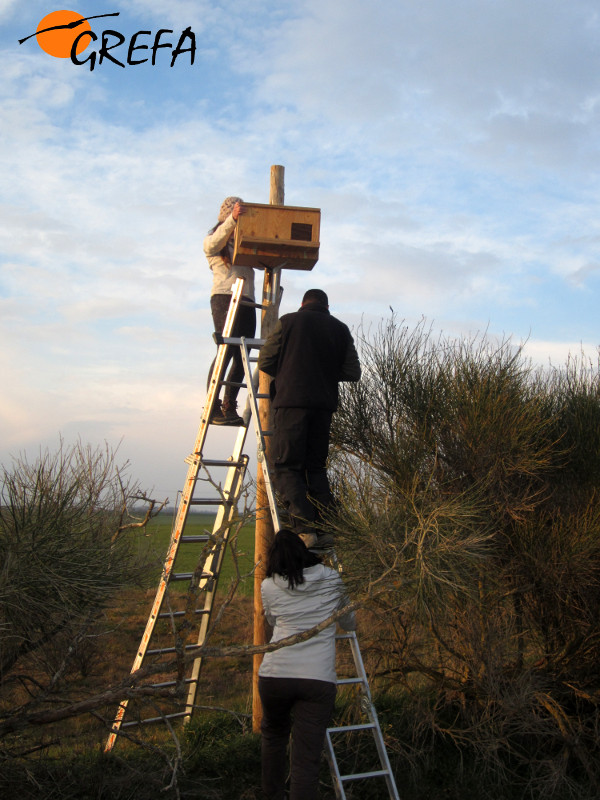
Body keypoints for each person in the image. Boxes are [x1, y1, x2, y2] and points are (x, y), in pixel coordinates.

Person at [257, 289, 361, 548]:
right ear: (327, 306)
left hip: (291, 404)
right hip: (323, 407)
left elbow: (265, 361)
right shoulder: (340, 329)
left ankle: (304, 530)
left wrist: (288, 370)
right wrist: (323, 372)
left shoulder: (288, 322)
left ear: (303, 303)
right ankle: (326, 529)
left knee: (286, 466)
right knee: (315, 468)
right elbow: (353, 372)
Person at [259, 529, 356, 800]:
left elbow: (273, 622)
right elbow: (350, 623)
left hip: (275, 675)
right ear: (305, 553)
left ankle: (272, 795)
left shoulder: (268, 585)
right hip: (317, 679)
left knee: (273, 738)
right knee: (306, 757)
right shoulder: (332, 579)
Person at [204, 196, 256, 425]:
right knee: (225, 350)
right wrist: (232, 221)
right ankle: (212, 405)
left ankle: (228, 405)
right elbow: (212, 245)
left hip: (246, 300)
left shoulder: (246, 241)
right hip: (225, 296)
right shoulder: (215, 240)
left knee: (241, 354)